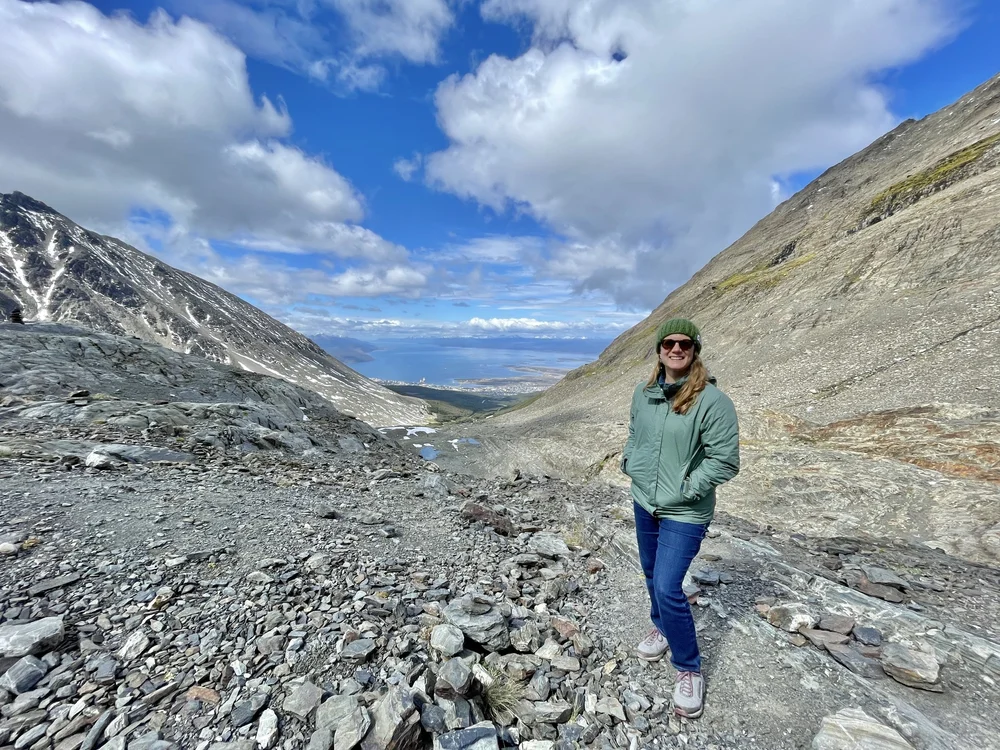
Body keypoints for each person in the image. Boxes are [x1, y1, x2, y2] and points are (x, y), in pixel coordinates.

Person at [620, 317, 740, 719]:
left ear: (694, 350)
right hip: (644, 501)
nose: (676, 349)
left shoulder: (712, 401)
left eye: (684, 344)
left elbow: (726, 461)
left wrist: (687, 487)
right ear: (658, 349)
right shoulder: (644, 393)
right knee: (652, 572)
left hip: (685, 510)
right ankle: (662, 626)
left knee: (669, 585)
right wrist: (630, 463)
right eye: (668, 342)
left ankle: (688, 666)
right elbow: (636, 434)